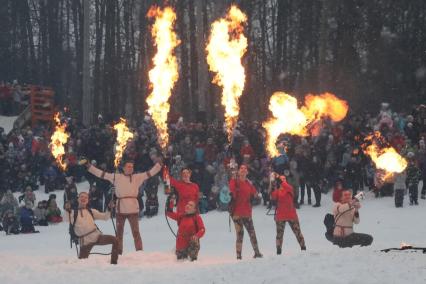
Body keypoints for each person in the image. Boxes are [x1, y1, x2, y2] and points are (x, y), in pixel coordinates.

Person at [85, 158, 162, 254]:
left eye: (132, 166)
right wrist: (89, 167)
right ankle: (118, 251)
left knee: (136, 232)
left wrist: (158, 165)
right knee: (119, 233)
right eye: (128, 166)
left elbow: (149, 173)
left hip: (133, 209)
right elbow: (102, 174)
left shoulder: (137, 177)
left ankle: (139, 251)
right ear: (124, 168)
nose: (131, 168)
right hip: (120, 209)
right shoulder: (117, 177)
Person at [65, 192, 119, 264]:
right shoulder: (73, 213)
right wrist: (66, 209)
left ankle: (114, 263)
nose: (83, 198)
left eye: (85, 197)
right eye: (81, 197)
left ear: (88, 200)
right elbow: (66, 219)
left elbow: (105, 217)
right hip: (85, 242)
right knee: (81, 262)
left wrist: (109, 208)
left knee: (115, 240)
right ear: (78, 199)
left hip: (97, 237)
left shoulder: (91, 211)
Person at [229, 164, 262, 259]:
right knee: (240, 234)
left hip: (247, 212)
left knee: (252, 233)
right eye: (241, 168)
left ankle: (257, 253)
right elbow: (231, 191)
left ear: (247, 172)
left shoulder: (249, 183)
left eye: (245, 169)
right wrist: (233, 178)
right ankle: (238, 255)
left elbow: (255, 194)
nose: (243, 170)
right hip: (237, 213)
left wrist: (258, 195)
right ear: (238, 171)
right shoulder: (235, 181)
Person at [270, 174, 306, 255]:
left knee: (297, 232)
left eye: (283, 179)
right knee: (279, 235)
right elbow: (273, 197)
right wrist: (272, 187)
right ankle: (278, 250)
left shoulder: (289, 188)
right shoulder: (278, 190)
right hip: (282, 215)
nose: (282, 180)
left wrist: (280, 181)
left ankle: (303, 248)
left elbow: (287, 187)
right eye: (281, 179)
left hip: (290, 215)